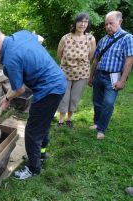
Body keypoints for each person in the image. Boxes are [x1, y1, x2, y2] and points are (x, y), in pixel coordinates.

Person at [0, 27, 67, 180]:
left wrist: (7, 99)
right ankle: (41, 154)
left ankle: (33, 168)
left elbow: (19, 90)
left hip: (48, 89)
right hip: (58, 82)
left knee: (32, 132)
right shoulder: (21, 35)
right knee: (42, 123)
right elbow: (39, 38)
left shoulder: (10, 59)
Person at [88, 11, 133, 139]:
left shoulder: (127, 38)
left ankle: (101, 129)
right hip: (98, 75)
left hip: (113, 78)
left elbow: (130, 59)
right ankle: (97, 123)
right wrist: (91, 77)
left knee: (108, 103)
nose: (108, 26)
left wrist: (123, 80)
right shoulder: (103, 39)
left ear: (120, 22)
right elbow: (96, 60)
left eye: (111, 23)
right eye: (106, 24)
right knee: (97, 102)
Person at [57, 12, 96, 128]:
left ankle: (69, 119)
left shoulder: (91, 39)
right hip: (65, 73)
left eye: (85, 22)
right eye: (80, 21)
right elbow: (59, 54)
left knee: (75, 97)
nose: (83, 24)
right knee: (64, 96)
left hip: (82, 73)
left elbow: (90, 56)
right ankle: (61, 120)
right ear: (75, 22)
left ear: (87, 24)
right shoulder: (65, 38)